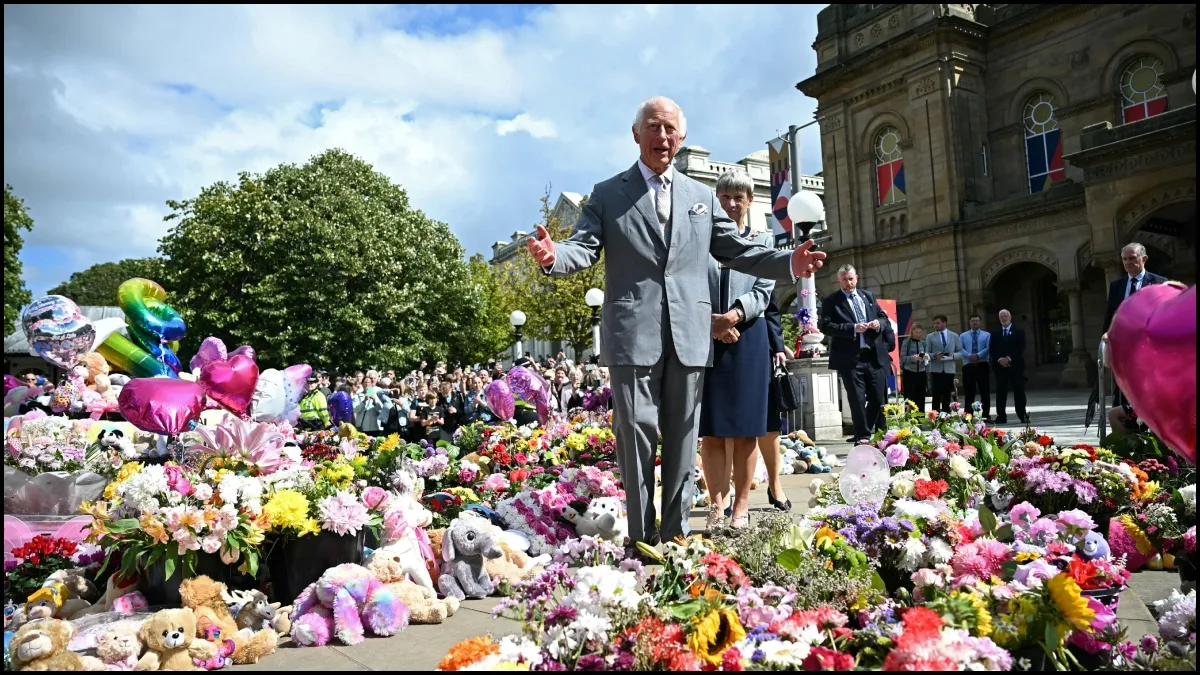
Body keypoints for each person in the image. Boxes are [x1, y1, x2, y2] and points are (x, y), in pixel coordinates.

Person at [526, 95, 825, 556]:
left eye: (670, 129)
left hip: (689, 333)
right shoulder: (608, 193)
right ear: (635, 134)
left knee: (686, 437)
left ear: (680, 138)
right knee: (636, 432)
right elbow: (581, 248)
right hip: (632, 333)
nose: (661, 136)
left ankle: (675, 534)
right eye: (653, 127)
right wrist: (553, 257)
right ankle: (641, 537)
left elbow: (739, 250)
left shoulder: (701, 197)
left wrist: (790, 261)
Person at [699, 169, 777, 531]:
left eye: (738, 197)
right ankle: (716, 504)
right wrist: (712, 322)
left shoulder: (763, 239)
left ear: (749, 201)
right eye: (725, 197)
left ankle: (741, 507)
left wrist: (733, 315)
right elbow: (687, 283)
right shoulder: (700, 241)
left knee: (746, 428)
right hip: (705, 336)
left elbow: (764, 289)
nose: (731, 203)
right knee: (712, 429)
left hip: (748, 338)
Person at [819, 264, 895, 444]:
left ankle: (864, 430)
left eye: (851, 279)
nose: (848, 283)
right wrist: (852, 328)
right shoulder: (831, 301)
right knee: (857, 400)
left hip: (873, 356)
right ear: (839, 280)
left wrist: (878, 323)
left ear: (857, 278)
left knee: (878, 398)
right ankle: (863, 437)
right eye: (844, 279)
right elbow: (826, 326)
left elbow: (884, 318)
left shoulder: (868, 296)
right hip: (850, 359)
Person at [1103, 242, 1165, 407]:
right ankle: (1123, 430)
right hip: (1123, 351)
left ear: (1144, 259)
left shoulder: (1159, 283)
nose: (1128, 262)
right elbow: (1110, 316)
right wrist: (1107, 336)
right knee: (1122, 394)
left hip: (1149, 350)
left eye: (1132, 258)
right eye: (1124, 259)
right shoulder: (1117, 286)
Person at [758, 295, 791, 513]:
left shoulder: (758, 266)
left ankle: (774, 483)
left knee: (770, 423)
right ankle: (723, 494)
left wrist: (778, 346)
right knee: (726, 430)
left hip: (760, 347)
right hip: (719, 345)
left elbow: (771, 310)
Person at [991, 309, 1028, 425]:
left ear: (1010, 317)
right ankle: (1001, 416)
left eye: (1005, 316)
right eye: (1001, 316)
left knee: (1019, 390)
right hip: (1000, 367)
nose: (1003, 318)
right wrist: (1000, 359)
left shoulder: (1019, 331)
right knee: (1001, 391)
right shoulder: (995, 333)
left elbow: (1020, 348)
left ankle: (1022, 415)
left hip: (1015, 366)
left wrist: (1008, 358)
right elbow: (992, 349)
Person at [958, 314, 991, 420]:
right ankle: (968, 415)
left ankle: (986, 415)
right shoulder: (963, 336)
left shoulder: (987, 335)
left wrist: (978, 355)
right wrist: (969, 355)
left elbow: (988, 348)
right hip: (968, 365)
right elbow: (960, 348)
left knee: (984, 391)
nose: (975, 322)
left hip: (982, 364)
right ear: (969, 322)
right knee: (969, 392)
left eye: (977, 320)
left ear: (980, 322)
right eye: (973, 321)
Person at [926, 315, 960, 414]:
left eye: (938, 323)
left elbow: (960, 352)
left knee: (947, 394)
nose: (935, 325)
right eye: (934, 323)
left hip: (949, 369)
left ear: (944, 323)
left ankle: (946, 416)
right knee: (936, 395)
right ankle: (935, 417)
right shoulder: (930, 336)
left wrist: (953, 356)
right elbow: (926, 352)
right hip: (936, 369)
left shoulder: (954, 336)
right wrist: (934, 356)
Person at [352, 370, 395, 437]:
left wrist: (374, 400)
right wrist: (364, 401)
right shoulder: (358, 393)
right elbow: (355, 410)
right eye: (365, 382)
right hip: (362, 426)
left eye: (369, 382)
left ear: (372, 384)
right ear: (362, 384)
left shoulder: (378, 391)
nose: (367, 384)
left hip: (375, 427)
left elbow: (382, 410)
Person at [899, 323, 929, 413]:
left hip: (921, 372)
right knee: (909, 398)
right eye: (916, 332)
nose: (918, 334)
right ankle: (908, 419)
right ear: (911, 332)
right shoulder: (906, 343)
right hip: (909, 373)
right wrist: (913, 358)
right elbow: (903, 358)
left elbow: (927, 356)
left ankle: (920, 419)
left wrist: (926, 357)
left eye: (920, 332)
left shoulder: (923, 343)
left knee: (921, 397)